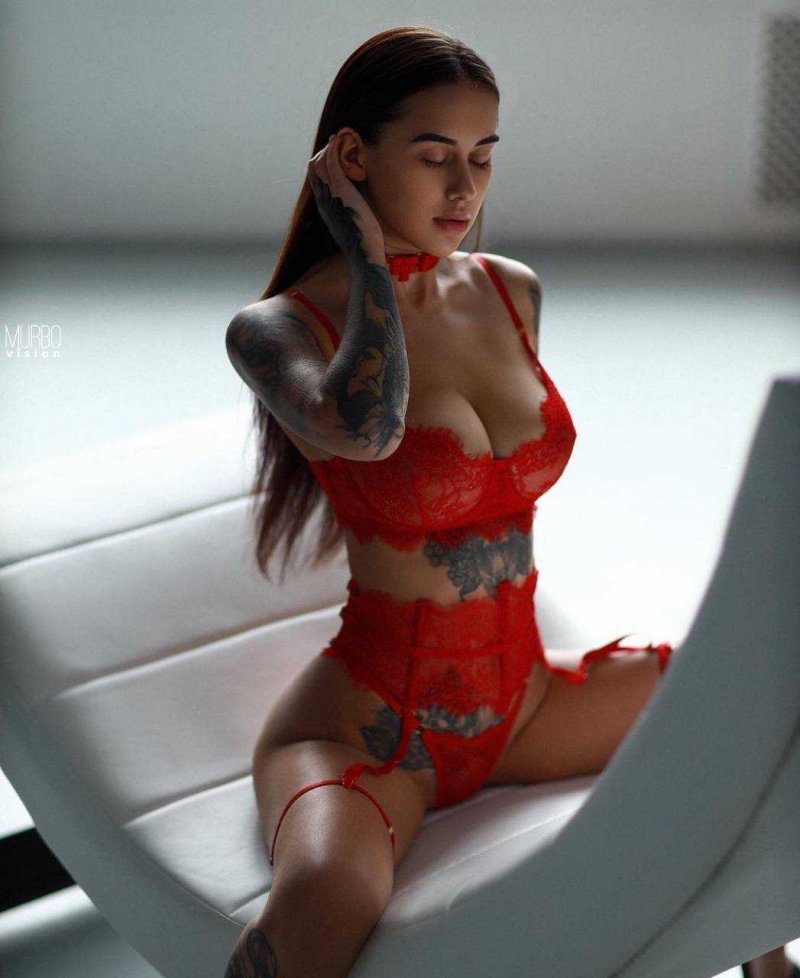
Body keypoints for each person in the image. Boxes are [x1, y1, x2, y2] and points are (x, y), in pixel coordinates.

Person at [222, 25, 796, 978]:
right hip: (369, 737)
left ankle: (771, 968)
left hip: (523, 708)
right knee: (327, 898)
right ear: (351, 159)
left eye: (483, 157)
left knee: (748, 720)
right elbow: (366, 429)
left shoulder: (509, 291)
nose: (465, 189)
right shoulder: (276, 329)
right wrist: (365, 254)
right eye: (434, 155)